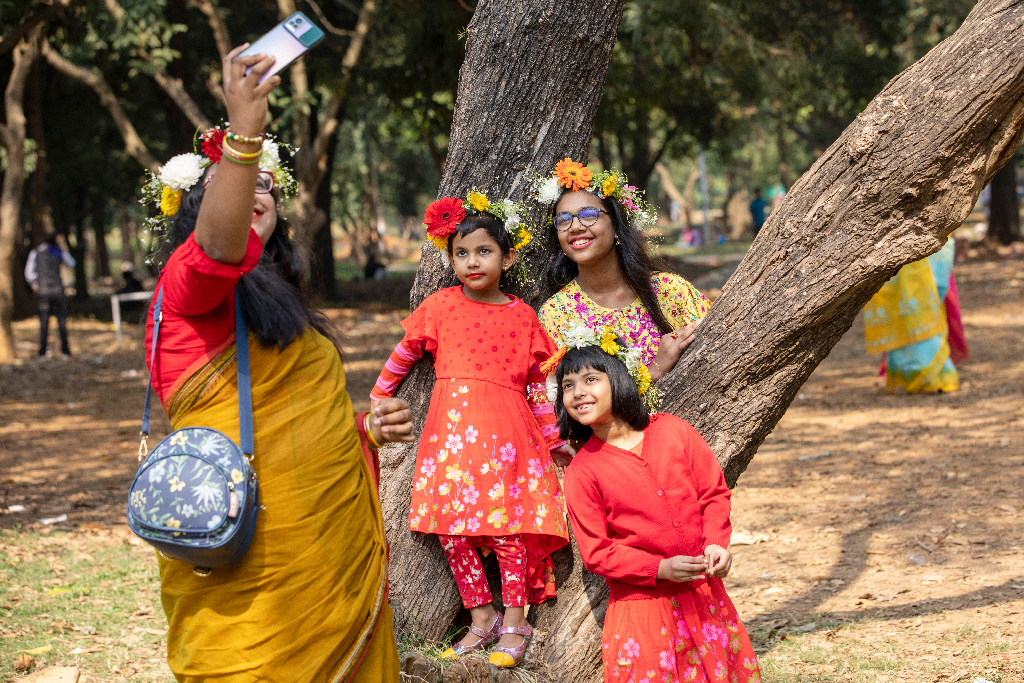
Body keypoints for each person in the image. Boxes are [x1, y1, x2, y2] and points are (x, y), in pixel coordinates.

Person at [141, 45, 412, 682]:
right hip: (248, 563)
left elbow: (289, 426)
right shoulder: (188, 287)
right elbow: (214, 246)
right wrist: (245, 132)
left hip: (326, 551)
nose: (253, 189)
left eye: (266, 182)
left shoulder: (282, 297)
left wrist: (362, 431)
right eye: (234, 181)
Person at [371, 194, 572, 668]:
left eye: (483, 251)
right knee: (454, 533)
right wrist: (380, 396)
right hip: (452, 442)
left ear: (508, 258)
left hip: (508, 440)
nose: (472, 262)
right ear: (450, 260)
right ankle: (481, 619)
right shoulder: (441, 305)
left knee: (508, 533)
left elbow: (539, 389)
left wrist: (553, 439)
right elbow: (405, 352)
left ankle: (515, 620)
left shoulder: (523, 316)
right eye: (461, 253)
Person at [554, 335, 761, 683]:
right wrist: (660, 568)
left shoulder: (673, 431)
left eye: (591, 379)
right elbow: (597, 552)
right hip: (642, 610)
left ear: (619, 379)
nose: (578, 392)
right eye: (568, 385)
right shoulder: (582, 472)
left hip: (703, 595)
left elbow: (712, 493)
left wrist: (715, 544)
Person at [531, 160, 711, 382]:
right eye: (564, 220)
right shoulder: (557, 314)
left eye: (588, 214)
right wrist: (655, 369)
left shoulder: (671, 291)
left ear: (616, 228)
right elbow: (568, 400)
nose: (575, 227)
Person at [863, 239, 967, 393]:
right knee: (900, 305)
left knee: (928, 303)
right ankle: (905, 377)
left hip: (926, 254)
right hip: (898, 251)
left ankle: (932, 377)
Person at [24, 231, 75, 358]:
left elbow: (29, 273)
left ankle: (42, 352)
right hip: (58, 291)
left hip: (43, 292)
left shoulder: (36, 252)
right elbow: (72, 263)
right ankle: (65, 352)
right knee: (62, 323)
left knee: (43, 323)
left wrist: (35, 284)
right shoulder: (59, 252)